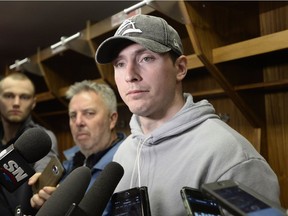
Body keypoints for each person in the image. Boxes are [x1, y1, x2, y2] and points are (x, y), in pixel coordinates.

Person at [95, 14, 281, 215]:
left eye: (146, 58)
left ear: (180, 68)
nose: (130, 75)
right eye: (120, 64)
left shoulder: (231, 157)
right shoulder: (124, 152)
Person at [29, 80, 126, 215]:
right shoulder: (69, 164)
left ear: (112, 119)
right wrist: (44, 193)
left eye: (89, 113)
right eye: (73, 115)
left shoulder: (128, 163)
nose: (78, 122)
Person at [0, 72, 59, 216]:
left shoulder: (40, 138)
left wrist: (43, 182)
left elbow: (44, 165)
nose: (16, 102)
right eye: (9, 96)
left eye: (24, 97)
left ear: (33, 102)